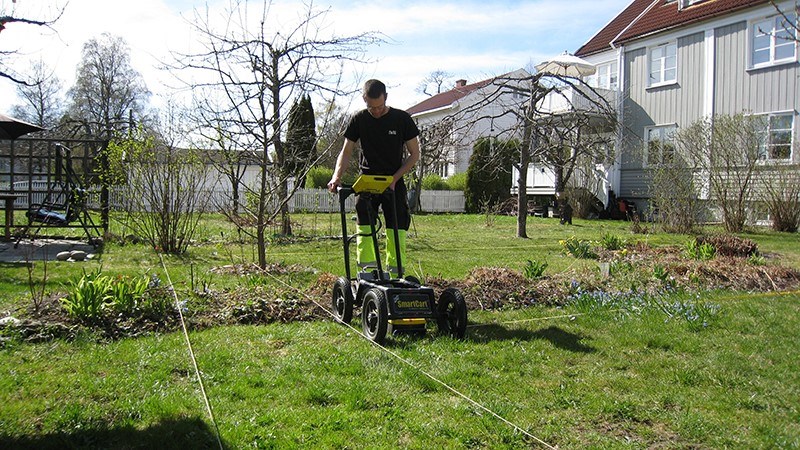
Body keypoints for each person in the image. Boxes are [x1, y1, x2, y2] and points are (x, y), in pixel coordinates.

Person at [327, 79, 421, 276]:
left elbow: (414, 154)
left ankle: (396, 275)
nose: (376, 111)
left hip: (393, 180)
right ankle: (367, 274)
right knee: (365, 225)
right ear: (364, 100)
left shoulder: (402, 119)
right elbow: (345, 152)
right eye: (371, 107)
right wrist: (336, 176)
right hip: (367, 181)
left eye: (380, 107)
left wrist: (395, 178)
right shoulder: (359, 119)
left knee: (397, 227)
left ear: (386, 98)